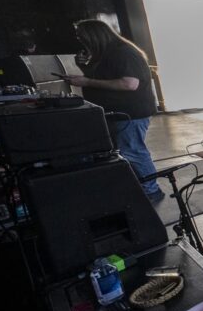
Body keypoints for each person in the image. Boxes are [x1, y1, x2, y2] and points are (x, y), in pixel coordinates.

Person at [62, 20, 163, 203]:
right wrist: (84, 68)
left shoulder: (122, 53)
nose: (79, 40)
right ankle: (144, 188)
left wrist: (87, 82)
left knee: (133, 151)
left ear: (94, 36)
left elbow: (130, 83)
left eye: (81, 36)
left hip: (130, 112)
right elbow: (108, 77)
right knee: (128, 151)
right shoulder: (111, 53)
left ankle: (151, 190)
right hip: (121, 112)